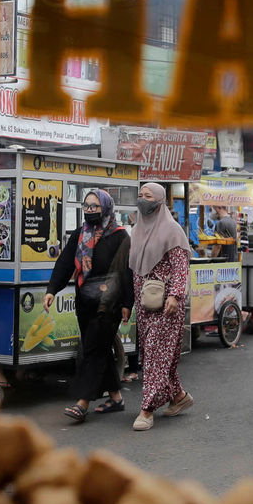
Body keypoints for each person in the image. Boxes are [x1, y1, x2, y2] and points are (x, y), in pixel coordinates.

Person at [45, 190, 134, 422]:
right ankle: (116, 397)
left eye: (95, 206)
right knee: (100, 348)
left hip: (109, 304)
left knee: (93, 350)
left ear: (105, 208)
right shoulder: (81, 234)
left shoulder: (120, 236)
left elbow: (126, 272)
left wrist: (127, 303)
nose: (90, 210)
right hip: (84, 301)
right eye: (87, 206)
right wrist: (51, 290)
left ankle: (82, 402)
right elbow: (65, 262)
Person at [129, 183, 192, 431]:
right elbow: (132, 268)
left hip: (167, 305)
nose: (143, 200)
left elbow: (180, 268)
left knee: (155, 354)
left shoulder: (173, 231)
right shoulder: (137, 230)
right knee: (154, 353)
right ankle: (178, 397)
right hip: (144, 303)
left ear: (160, 201)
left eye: (149, 196)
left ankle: (147, 410)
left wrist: (175, 296)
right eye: (141, 195)